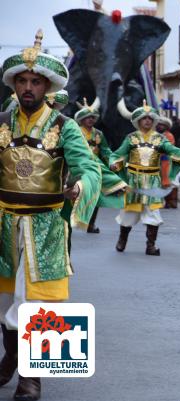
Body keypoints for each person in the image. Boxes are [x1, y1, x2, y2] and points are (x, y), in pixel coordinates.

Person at [0, 30, 101, 401]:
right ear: (15, 84)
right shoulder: (1, 122)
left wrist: (80, 186)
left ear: (47, 86)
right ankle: (10, 358)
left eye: (35, 81)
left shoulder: (65, 126)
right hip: (3, 221)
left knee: (39, 302)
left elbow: (88, 168)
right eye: (23, 81)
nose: (28, 87)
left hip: (45, 224)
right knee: (6, 302)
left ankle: (32, 378)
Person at [111, 101, 180, 255]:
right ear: (138, 121)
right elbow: (118, 155)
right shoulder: (131, 138)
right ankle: (122, 240)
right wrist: (115, 164)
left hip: (152, 182)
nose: (147, 120)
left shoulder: (160, 139)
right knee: (128, 215)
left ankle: (151, 245)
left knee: (153, 215)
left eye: (150, 118)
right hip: (134, 181)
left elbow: (171, 150)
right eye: (144, 118)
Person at [74, 98, 126, 233]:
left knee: (95, 195)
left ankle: (91, 224)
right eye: (87, 117)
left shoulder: (98, 134)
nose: (90, 120)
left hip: (94, 168)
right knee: (73, 194)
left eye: (92, 117)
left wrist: (113, 161)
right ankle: (69, 222)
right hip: (77, 166)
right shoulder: (74, 131)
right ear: (81, 119)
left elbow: (105, 151)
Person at [156, 115, 179, 209]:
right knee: (161, 182)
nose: (159, 126)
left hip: (167, 161)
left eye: (161, 125)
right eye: (159, 124)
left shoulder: (169, 135)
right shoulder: (157, 135)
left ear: (166, 126)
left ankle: (172, 201)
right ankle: (165, 201)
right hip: (159, 161)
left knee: (170, 182)